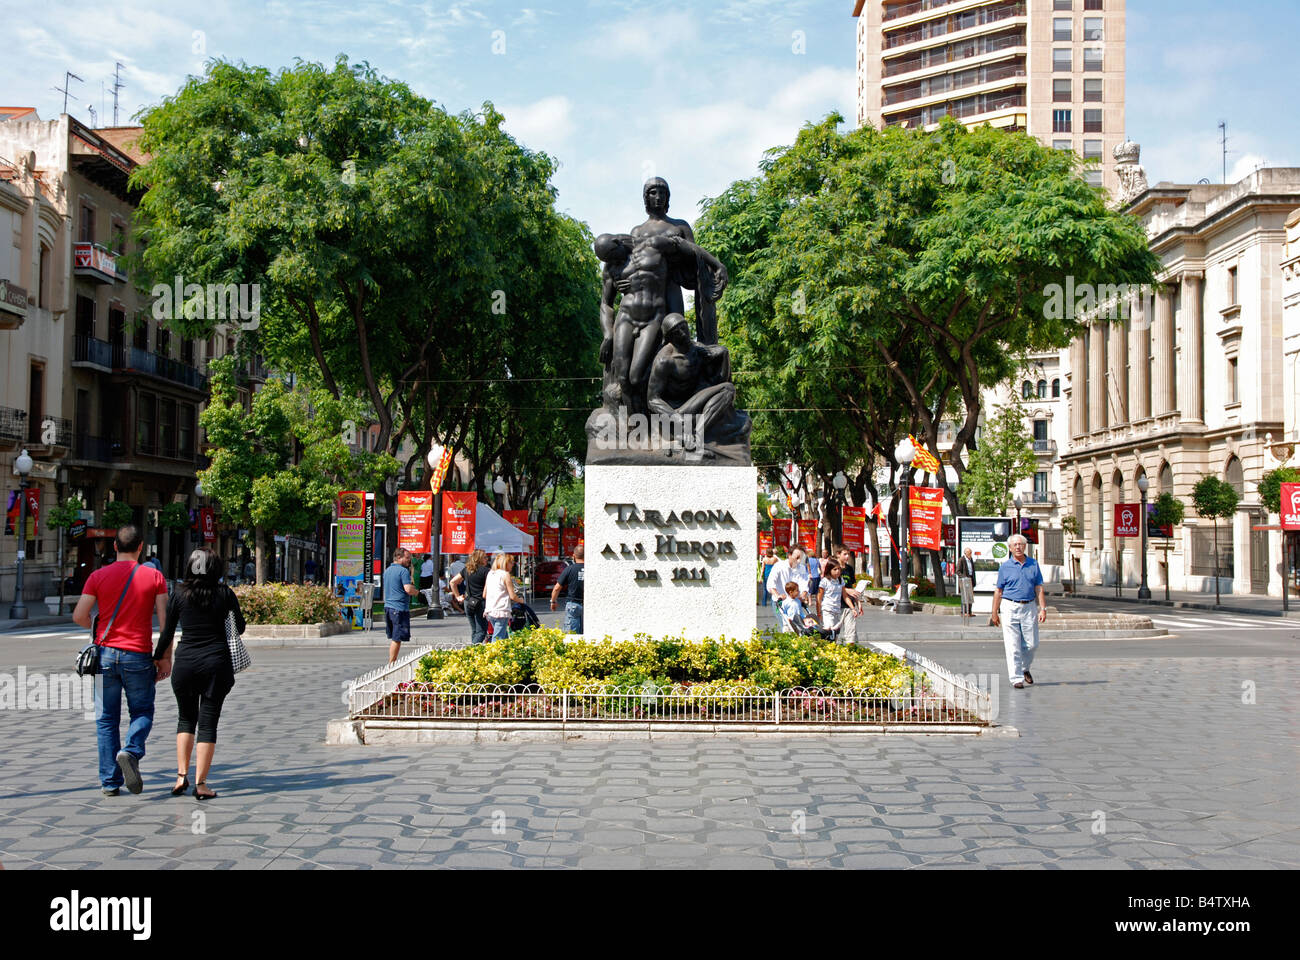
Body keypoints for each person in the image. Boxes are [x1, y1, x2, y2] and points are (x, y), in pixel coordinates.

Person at [72, 525, 170, 797]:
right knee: (141, 712)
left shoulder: (97, 576)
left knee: (105, 719)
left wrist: (97, 627)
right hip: (138, 656)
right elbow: (166, 624)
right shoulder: (154, 577)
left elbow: (79, 615)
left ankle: (109, 782)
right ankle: (131, 750)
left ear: (114, 547)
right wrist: (165, 658)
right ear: (141, 548)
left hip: (104, 655)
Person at [155, 549, 244, 800]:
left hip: (185, 664)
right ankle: (201, 784)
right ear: (215, 569)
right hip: (216, 663)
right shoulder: (225, 593)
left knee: (185, 719)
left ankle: (180, 777)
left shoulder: (179, 594)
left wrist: (157, 658)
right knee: (208, 723)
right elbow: (241, 626)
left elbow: (167, 633)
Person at [990, 534, 1047, 689]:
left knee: (1032, 644)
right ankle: (1016, 678)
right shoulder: (1005, 567)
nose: (1018, 547)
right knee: (1012, 645)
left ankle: (1024, 668)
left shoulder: (1033, 564)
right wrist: (994, 612)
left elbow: (1039, 587)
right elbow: (998, 591)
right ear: (1010, 548)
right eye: (1014, 545)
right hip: (1009, 606)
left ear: (1025, 546)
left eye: (1020, 544)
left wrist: (1043, 608)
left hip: (1029, 606)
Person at [381, 547, 420, 664]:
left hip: (388, 607)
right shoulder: (403, 571)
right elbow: (408, 589)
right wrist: (417, 592)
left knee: (394, 636)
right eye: (407, 558)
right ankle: (391, 663)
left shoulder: (387, 570)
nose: (409, 561)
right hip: (399, 608)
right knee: (397, 638)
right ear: (399, 557)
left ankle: (392, 661)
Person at [450, 549, 491, 645]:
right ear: (479, 559)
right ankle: (472, 649)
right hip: (480, 602)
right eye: (485, 557)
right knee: (481, 631)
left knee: (474, 630)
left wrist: (457, 596)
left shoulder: (467, 570)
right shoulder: (486, 571)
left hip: (468, 602)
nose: (487, 559)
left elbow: (452, 582)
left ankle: (473, 653)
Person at [484, 553, 520, 641]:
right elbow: (513, 596)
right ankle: (493, 654)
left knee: (504, 636)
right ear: (505, 563)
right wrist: (521, 600)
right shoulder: (505, 574)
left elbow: (484, 594)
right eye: (511, 562)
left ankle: (507, 653)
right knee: (498, 638)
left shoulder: (490, 574)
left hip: (490, 610)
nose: (513, 564)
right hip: (501, 610)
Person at [550, 545, 585, 633]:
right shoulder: (592, 569)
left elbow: (557, 588)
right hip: (588, 605)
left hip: (573, 604)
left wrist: (553, 602)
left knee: (572, 636)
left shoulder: (569, 569)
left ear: (574, 556)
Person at [957, 548, 977, 619]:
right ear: (965, 553)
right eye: (969, 553)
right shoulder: (961, 560)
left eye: (971, 553)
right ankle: (964, 612)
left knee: (970, 596)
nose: (970, 555)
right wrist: (964, 578)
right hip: (964, 580)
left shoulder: (971, 560)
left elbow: (972, 570)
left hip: (971, 579)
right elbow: (958, 571)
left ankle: (969, 611)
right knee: (964, 596)